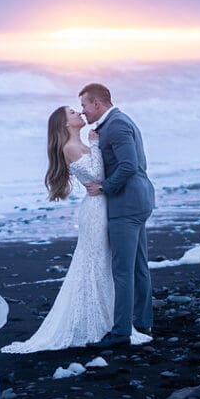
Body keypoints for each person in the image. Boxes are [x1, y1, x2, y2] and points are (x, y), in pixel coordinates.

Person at [1, 106, 150, 353]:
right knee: (93, 263)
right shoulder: (70, 147)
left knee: (104, 264)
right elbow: (96, 173)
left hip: (104, 204)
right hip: (95, 210)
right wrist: (96, 147)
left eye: (78, 109)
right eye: (72, 113)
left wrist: (95, 147)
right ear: (65, 124)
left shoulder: (84, 142)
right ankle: (92, 322)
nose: (79, 114)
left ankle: (111, 320)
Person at [78, 83, 156, 348]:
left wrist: (104, 187)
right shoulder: (115, 123)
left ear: (97, 104)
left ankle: (122, 332)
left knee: (122, 271)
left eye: (85, 106)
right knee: (137, 265)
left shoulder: (118, 125)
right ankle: (142, 322)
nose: (83, 111)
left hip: (127, 203)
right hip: (139, 199)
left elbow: (128, 165)